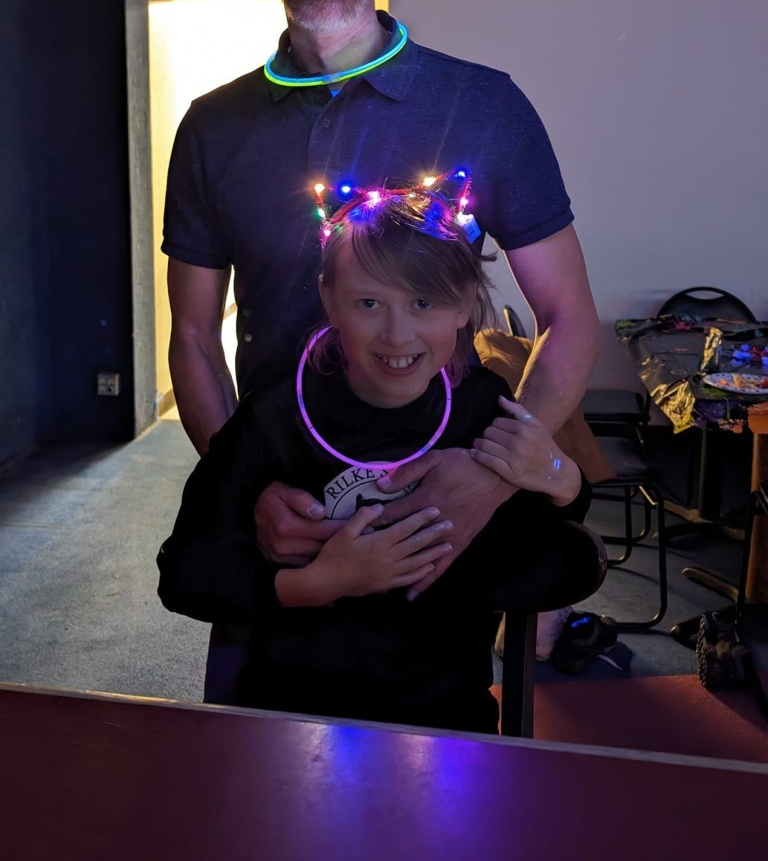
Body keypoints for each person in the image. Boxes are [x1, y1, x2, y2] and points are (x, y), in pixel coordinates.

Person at [162, 0, 599, 616]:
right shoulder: (212, 128)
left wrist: (489, 476)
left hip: (437, 515)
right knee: (260, 740)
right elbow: (191, 334)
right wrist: (240, 487)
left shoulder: (486, 106)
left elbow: (569, 317)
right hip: (279, 535)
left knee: (435, 740)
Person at [158, 184, 590, 733]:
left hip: (443, 718)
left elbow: (561, 551)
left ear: (462, 305)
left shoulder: (485, 410)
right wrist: (317, 584)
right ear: (329, 299)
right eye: (369, 303)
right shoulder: (273, 418)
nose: (397, 334)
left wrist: (560, 477)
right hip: (285, 716)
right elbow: (183, 574)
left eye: (424, 303)